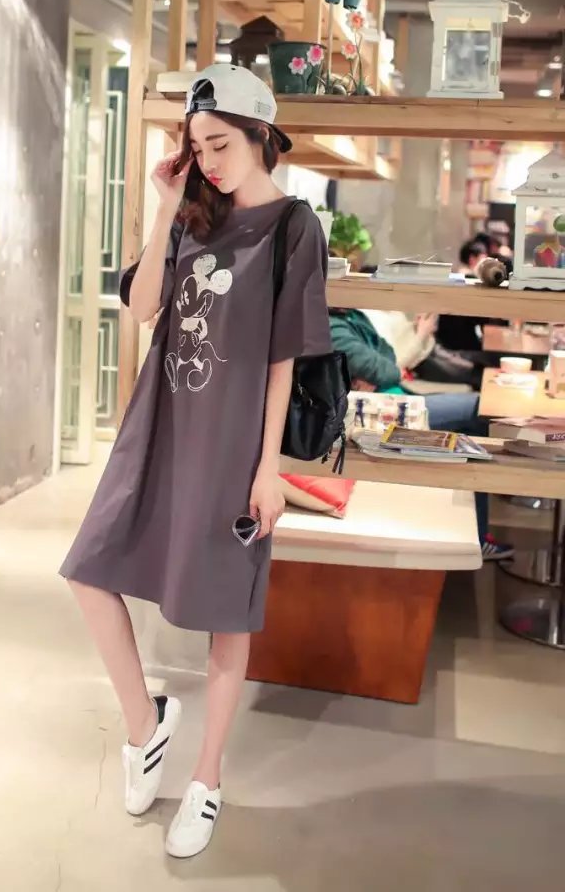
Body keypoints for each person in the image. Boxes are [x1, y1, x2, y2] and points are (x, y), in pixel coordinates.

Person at [60, 64, 331, 859]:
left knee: (225, 611)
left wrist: (268, 467)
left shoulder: (294, 227)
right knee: (88, 569)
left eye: (220, 144)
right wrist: (164, 204)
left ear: (260, 135)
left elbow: (283, 358)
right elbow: (144, 305)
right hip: (161, 425)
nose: (208, 160)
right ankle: (145, 725)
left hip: (233, 441)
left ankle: (207, 777)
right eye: (197, 146)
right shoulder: (190, 216)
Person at [329, 307, 513, 561]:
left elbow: (388, 357)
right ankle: (482, 532)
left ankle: (477, 530)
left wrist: (379, 371)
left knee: (475, 420)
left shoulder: (352, 316)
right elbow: (388, 370)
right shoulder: (332, 326)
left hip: (397, 399)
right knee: (478, 409)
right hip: (382, 411)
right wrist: (381, 371)